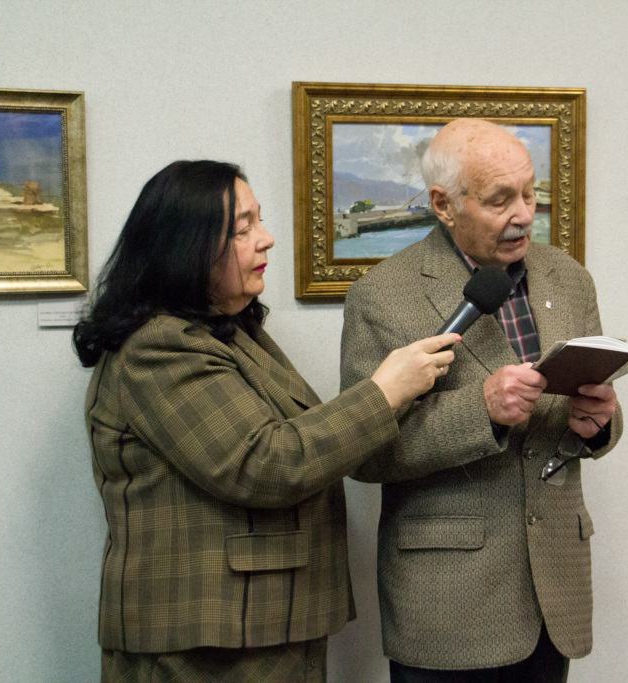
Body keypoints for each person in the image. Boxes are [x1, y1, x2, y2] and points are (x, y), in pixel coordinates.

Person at [73, 160, 459, 682]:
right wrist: (384, 392)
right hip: (204, 644)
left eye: (260, 220)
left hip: (259, 627)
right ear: (187, 247)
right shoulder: (158, 347)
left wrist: (398, 394)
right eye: (243, 228)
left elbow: (294, 439)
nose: (267, 239)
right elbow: (265, 464)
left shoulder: (228, 331)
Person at [340, 119, 623, 682]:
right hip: (448, 601)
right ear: (443, 205)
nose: (524, 214)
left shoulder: (568, 279)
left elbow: (590, 406)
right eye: (500, 200)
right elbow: (363, 454)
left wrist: (598, 425)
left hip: (554, 592)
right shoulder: (382, 296)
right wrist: (482, 410)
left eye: (530, 193)